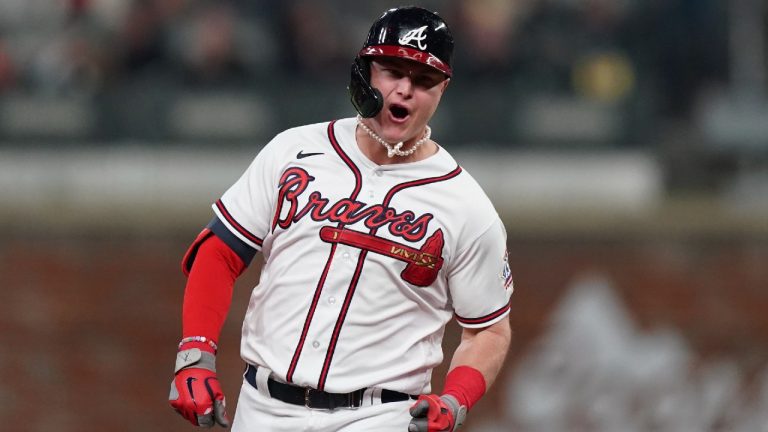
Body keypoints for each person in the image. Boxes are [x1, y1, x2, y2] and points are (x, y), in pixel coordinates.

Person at [169, 6, 513, 432]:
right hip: (263, 407)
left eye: (423, 79)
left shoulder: (466, 206)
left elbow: (488, 331)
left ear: (443, 88)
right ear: (364, 73)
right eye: (393, 71)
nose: (405, 90)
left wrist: (456, 398)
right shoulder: (293, 150)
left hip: (381, 415)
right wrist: (195, 352)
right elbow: (219, 252)